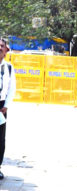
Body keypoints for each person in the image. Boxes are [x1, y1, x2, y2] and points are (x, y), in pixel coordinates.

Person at [0, 38, 16, 179]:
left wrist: (6, 106)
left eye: (2, 46)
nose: (0, 48)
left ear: (6, 51)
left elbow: (12, 88)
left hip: (1, 108)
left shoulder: (9, 67)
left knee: (0, 138)